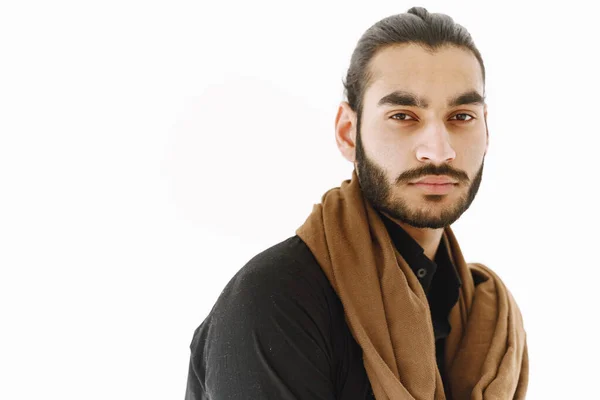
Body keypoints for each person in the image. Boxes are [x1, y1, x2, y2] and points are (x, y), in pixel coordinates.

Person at [185, 6, 528, 400]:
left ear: (487, 130)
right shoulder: (275, 302)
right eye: (403, 115)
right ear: (349, 133)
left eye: (461, 116)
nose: (439, 150)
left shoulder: (485, 317)